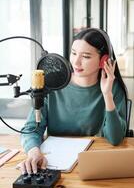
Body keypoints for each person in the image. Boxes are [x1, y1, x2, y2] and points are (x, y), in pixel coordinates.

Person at [18, 28, 128, 174]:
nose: (76, 62)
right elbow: (31, 129)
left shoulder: (113, 89)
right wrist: (33, 151)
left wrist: (107, 94)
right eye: (74, 53)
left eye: (86, 56)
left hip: (92, 166)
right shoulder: (53, 83)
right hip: (54, 165)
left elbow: (115, 139)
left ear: (103, 61)